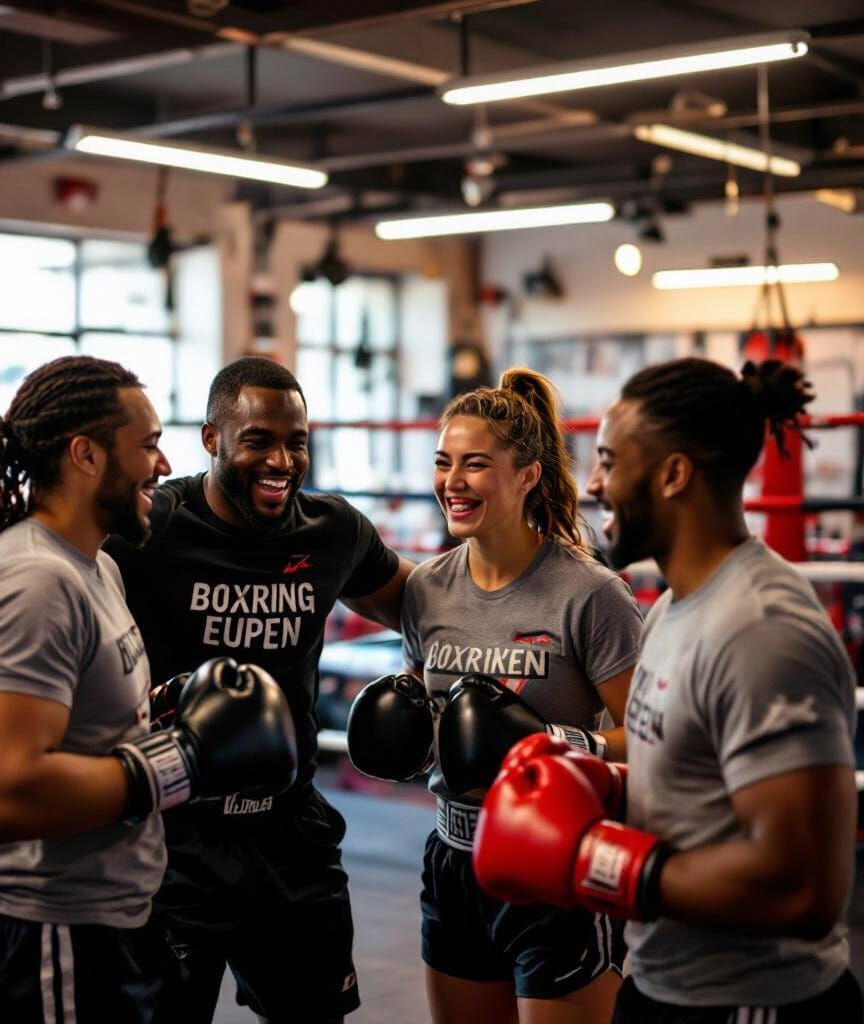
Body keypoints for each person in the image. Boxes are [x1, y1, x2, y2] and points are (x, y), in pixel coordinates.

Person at [473, 357, 862, 1023]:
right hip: (660, 981)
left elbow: (805, 888)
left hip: (755, 1002)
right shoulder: (669, 611)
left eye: (608, 461)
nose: (592, 485)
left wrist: (603, 864)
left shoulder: (762, 630)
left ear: (674, 474)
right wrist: (599, 785)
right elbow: (697, 783)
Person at [0, 355, 297, 1024]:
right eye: (149, 444)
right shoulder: (32, 585)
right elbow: (8, 795)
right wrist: (186, 762)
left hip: (107, 921)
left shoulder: (96, 566)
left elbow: (86, 727)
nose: (163, 467)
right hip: (43, 938)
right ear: (85, 455)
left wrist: (163, 716)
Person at [105, 356, 414, 1024]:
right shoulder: (149, 527)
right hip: (176, 838)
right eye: (259, 441)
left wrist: (540, 592)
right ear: (212, 438)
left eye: (296, 442)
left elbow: (425, 606)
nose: (282, 460)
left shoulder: (331, 531)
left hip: (291, 831)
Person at [350, 368, 643, 1024]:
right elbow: (446, 736)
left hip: (556, 866)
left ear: (528, 475)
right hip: (453, 861)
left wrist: (553, 746)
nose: (452, 481)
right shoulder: (427, 589)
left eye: (475, 465)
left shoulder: (589, 594)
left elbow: (654, 738)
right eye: (443, 462)